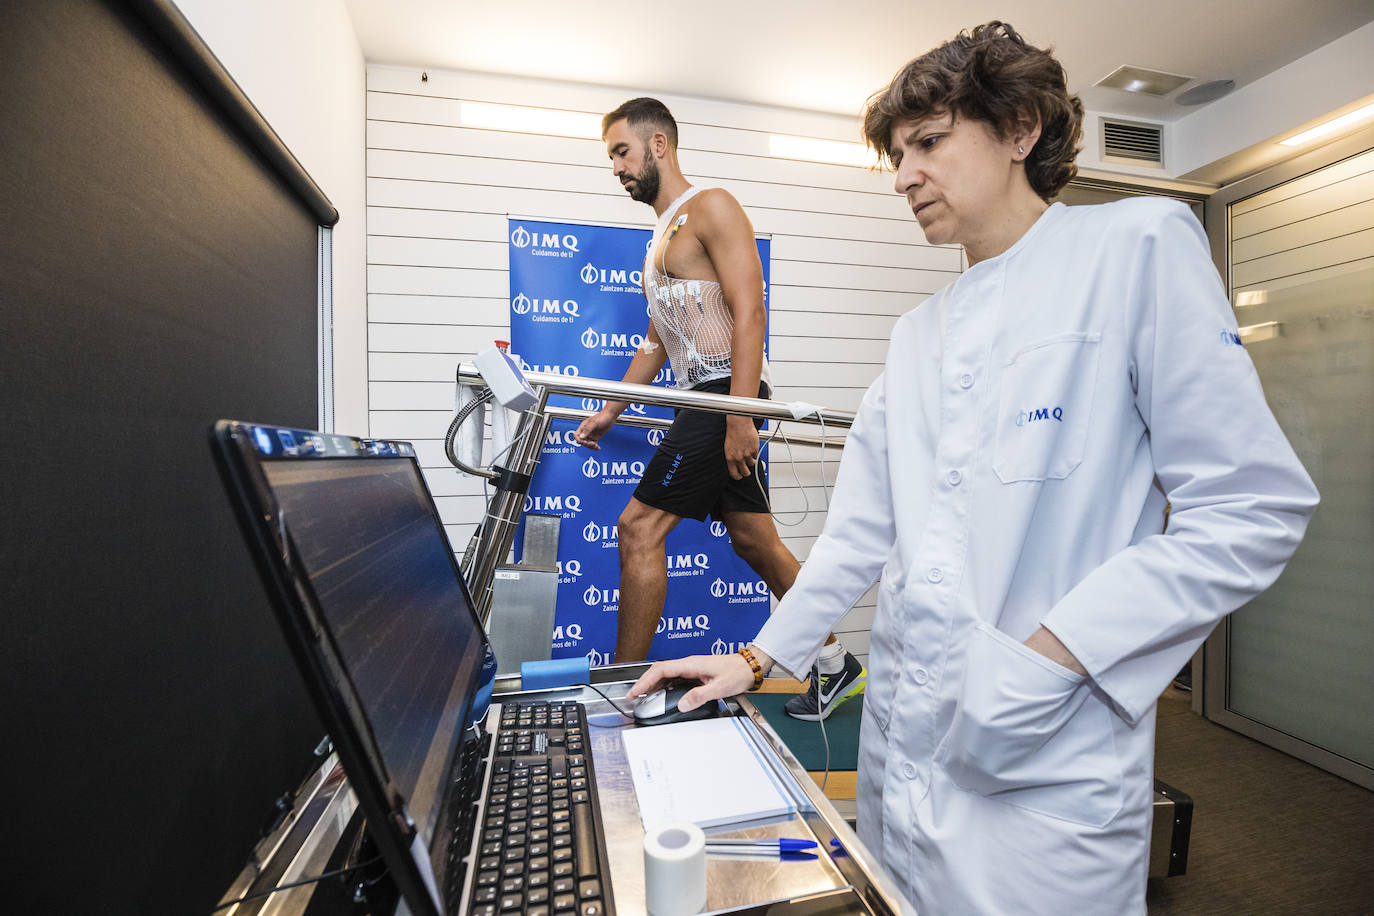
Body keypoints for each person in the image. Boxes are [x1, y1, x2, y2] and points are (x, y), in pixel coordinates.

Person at [627, 23, 1319, 915]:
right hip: (901, 756)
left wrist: (1050, 659)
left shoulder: (1134, 249)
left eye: (929, 142)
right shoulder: (916, 338)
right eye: (897, 154)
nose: (906, 174)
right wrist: (757, 660)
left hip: (1044, 769)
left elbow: (1252, 508)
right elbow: (858, 538)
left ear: (1020, 127)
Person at [574, 98, 864, 719]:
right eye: (611, 158)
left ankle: (621, 691)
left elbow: (749, 309)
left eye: (622, 152)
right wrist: (611, 411)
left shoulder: (712, 205)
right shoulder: (658, 239)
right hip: (699, 399)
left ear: (658, 145)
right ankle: (837, 663)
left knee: (637, 528)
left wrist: (739, 416)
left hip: (721, 398)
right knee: (755, 541)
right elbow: (656, 343)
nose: (617, 167)